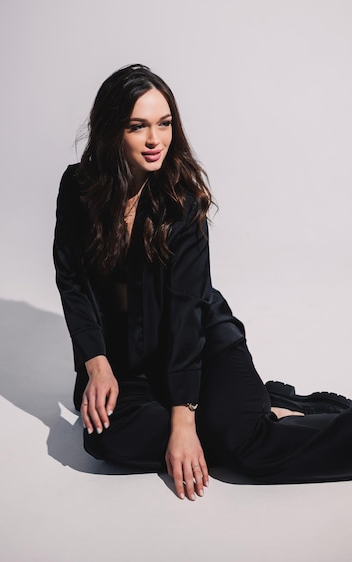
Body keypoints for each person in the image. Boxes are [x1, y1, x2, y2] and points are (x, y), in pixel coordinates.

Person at [54, 64, 352, 501]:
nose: (155, 139)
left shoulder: (183, 202)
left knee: (250, 452)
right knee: (104, 440)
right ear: (111, 130)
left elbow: (185, 317)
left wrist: (182, 421)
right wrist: (96, 364)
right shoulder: (77, 187)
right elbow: (72, 280)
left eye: (164, 123)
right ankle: (255, 410)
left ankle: (255, 421)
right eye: (138, 126)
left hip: (201, 348)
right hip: (125, 364)